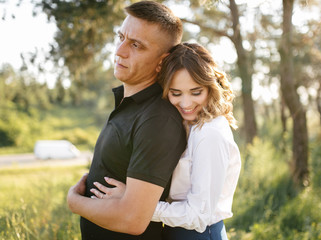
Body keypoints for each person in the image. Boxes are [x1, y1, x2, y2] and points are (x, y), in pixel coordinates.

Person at [91, 43, 242, 240]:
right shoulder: (189, 123)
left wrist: (135, 203)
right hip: (175, 230)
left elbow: (197, 216)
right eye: (176, 93)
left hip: (198, 234)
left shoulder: (210, 133)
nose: (186, 104)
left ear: (210, 88)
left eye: (196, 92)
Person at [66, 1, 186, 240]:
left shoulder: (157, 119)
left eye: (136, 45)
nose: (119, 51)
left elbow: (133, 220)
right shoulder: (129, 104)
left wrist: (74, 201)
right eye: (121, 37)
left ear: (162, 61)